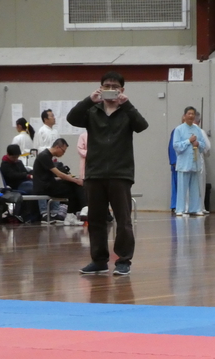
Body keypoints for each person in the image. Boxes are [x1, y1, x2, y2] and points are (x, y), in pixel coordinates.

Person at [67, 71, 148, 276]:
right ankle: (99, 260)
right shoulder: (92, 111)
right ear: (100, 87)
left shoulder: (126, 112)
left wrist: (127, 104)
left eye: (115, 86)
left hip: (120, 173)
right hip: (95, 173)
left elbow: (142, 125)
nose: (110, 89)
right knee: (95, 219)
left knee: (123, 220)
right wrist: (89, 100)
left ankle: (123, 261)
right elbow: (71, 118)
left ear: (122, 89)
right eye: (106, 85)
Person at [32, 138, 84, 225]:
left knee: (73, 186)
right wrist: (75, 180)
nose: (63, 154)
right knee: (73, 187)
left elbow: (52, 176)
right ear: (57, 147)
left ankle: (72, 214)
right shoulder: (44, 156)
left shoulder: (48, 156)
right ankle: (73, 214)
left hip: (49, 183)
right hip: (43, 187)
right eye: (63, 151)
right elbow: (59, 174)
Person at [171, 106, 206, 217]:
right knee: (182, 188)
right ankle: (180, 209)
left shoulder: (198, 130)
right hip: (184, 163)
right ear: (185, 115)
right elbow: (176, 146)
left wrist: (198, 144)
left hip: (195, 162)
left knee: (195, 187)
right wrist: (188, 141)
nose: (191, 116)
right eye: (189, 114)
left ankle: (195, 208)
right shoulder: (179, 129)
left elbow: (203, 145)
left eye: (193, 114)